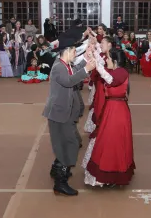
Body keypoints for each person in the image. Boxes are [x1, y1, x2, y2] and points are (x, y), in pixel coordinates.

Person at [42, 32, 96, 196]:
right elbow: (68, 81)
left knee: (65, 143)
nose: (75, 54)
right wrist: (87, 69)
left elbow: (73, 73)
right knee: (69, 144)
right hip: (59, 113)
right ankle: (60, 181)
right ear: (66, 51)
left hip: (63, 112)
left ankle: (58, 170)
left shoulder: (65, 65)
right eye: (74, 51)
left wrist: (86, 60)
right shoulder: (59, 67)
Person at [82, 49, 135, 187]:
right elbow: (104, 73)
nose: (107, 60)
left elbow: (110, 79)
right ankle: (108, 175)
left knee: (112, 142)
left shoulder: (121, 72)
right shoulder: (113, 71)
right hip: (111, 110)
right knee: (107, 140)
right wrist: (92, 58)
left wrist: (98, 66)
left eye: (109, 59)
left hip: (118, 112)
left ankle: (112, 174)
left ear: (116, 61)